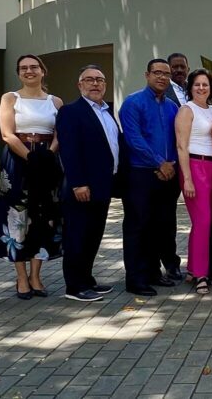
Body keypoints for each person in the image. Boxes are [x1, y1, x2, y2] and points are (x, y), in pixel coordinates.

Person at [0, 54, 64, 299]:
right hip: (17, 161)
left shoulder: (55, 101)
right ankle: (21, 277)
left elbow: (59, 133)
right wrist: (30, 157)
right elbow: (6, 133)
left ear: (42, 71)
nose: (29, 71)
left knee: (43, 214)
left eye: (34, 67)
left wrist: (48, 156)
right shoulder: (10, 98)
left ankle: (36, 275)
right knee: (18, 215)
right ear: (18, 73)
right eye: (23, 68)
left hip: (47, 160)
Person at [56, 65, 123, 302]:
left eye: (100, 80)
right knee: (77, 236)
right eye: (90, 80)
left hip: (103, 186)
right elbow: (70, 150)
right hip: (82, 187)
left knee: (93, 236)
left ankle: (87, 279)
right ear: (80, 85)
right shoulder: (70, 112)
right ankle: (74, 286)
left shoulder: (107, 111)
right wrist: (78, 183)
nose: (95, 84)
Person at [118, 59, 180, 296]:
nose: (162, 77)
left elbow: (176, 140)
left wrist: (170, 165)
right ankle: (135, 278)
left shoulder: (172, 107)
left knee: (160, 227)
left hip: (167, 175)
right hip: (141, 174)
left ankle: (154, 273)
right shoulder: (133, 103)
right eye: (157, 73)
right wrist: (159, 162)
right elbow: (133, 139)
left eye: (166, 74)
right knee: (138, 226)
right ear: (147, 75)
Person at [174, 69, 212, 295]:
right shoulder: (186, 110)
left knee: (206, 222)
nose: (202, 88)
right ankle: (202, 274)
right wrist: (188, 179)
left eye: (206, 84)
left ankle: (193, 269)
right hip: (195, 166)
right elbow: (181, 146)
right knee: (202, 222)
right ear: (190, 87)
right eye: (197, 84)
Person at [160, 52, 189, 281]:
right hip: (170, 163)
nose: (179, 71)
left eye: (182, 67)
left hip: (195, 163)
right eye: (175, 68)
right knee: (167, 217)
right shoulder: (163, 94)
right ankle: (170, 263)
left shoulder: (194, 90)